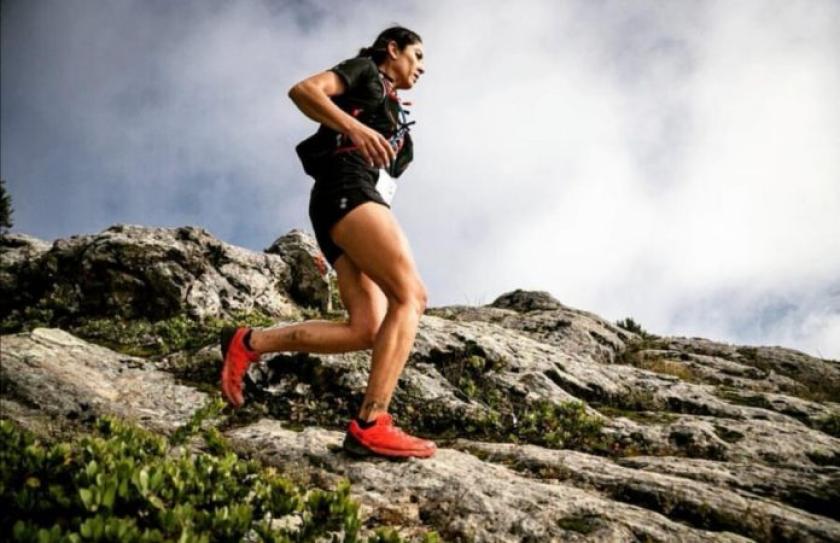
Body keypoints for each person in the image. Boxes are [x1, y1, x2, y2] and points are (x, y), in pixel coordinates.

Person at [219, 26, 436, 459]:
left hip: (348, 202)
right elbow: (304, 91)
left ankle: (248, 342)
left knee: (367, 328)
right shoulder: (365, 73)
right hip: (346, 189)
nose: (422, 67)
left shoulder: (399, 122)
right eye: (417, 55)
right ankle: (372, 422)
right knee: (411, 296)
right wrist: (353, 127)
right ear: (391, 50)